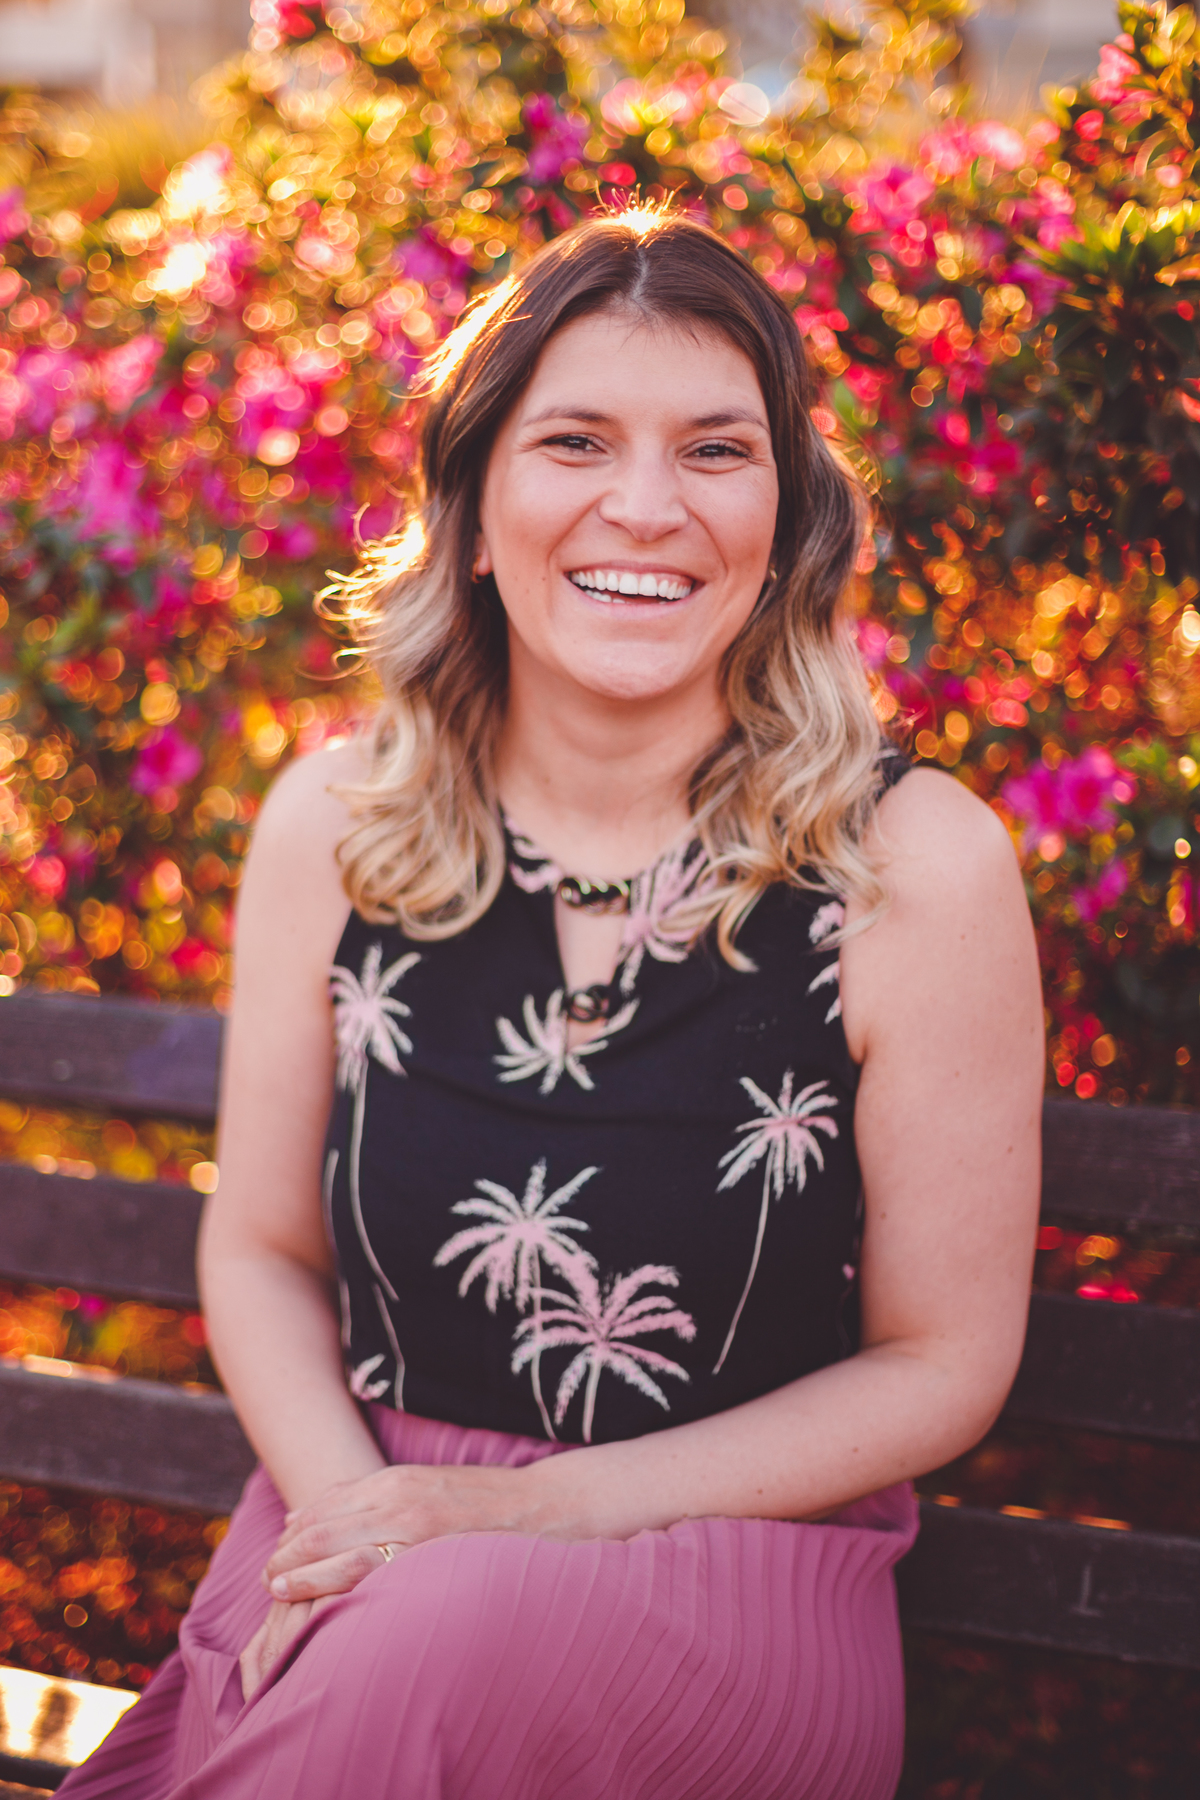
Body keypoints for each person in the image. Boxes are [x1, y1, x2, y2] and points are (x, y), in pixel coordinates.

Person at [59, 208, 1043, 1800]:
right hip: (350, 1519)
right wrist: (353, 1516)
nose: (644, 509)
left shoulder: (910, 867)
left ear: (787, 509)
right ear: (474, 490)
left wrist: (517, 1517)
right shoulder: (339, 828)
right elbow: (256, 1247)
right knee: (380, 1662)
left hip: (728, 1570)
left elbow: (938, 1360)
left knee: (400, 1675)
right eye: (576, 438)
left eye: (716, 451)